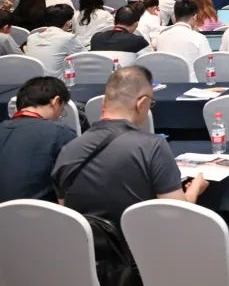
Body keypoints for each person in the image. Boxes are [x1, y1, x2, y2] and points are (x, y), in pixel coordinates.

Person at [51, 66, 208, 223]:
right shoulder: (153, 146)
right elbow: (178, 214)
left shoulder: (68, 150)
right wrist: (195, 189)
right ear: (142, 103)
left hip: (85, 238)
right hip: (140, 237)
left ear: (103, 103)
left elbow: (68, 215)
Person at [0, 77, 77, 201]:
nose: (60, 116)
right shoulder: (61, 134)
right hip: (38, 211)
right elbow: (72, 188)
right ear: (56, 101)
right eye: (62, 111)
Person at [24, 5, 84, 77]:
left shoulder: (31, 37)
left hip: (31, 82)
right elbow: (86, 57)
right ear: (68, 23)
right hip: (55, 82)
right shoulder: (68, 38)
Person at [154, 0, 211, 73]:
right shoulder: (199, 38)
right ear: (195, 17)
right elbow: (208, 65)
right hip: (192, 80)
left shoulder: (160, 37)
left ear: (175, 16)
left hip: (166, 79)